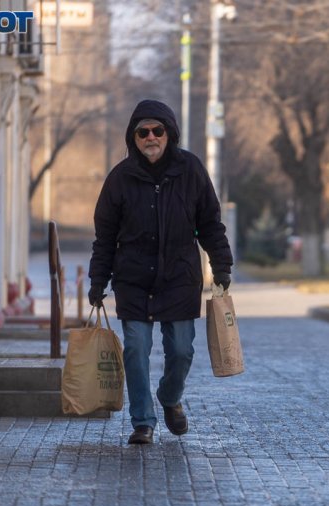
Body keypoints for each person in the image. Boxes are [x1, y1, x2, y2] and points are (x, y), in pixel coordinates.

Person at [88, 100, 233, 445]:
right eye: (143, 132)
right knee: (136, 348)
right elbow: (105, 236)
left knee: (181, 351)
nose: (151, 137)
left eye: (157, 130)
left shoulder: (192, 170)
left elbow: (210, 224)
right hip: (134, 279)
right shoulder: (119, 179)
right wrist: (98, 280)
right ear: (133, 137)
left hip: (180, 278)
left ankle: (169, 399)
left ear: (169, 133)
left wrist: (221, 264)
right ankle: (143, 421)